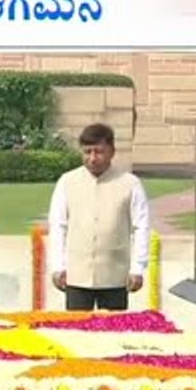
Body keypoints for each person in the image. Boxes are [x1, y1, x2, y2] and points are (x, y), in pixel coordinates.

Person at [48, 123, 150, 311]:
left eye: (99, 152)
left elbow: (141, 227)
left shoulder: (130, 184)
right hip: (76, 276)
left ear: (112, 151)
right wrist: (57, 266)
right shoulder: (67, 182)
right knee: (76, 335)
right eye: (87, 152)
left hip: (115, 277)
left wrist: (137, 268)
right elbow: (58, 226)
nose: (92, 158)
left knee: (114, 336)